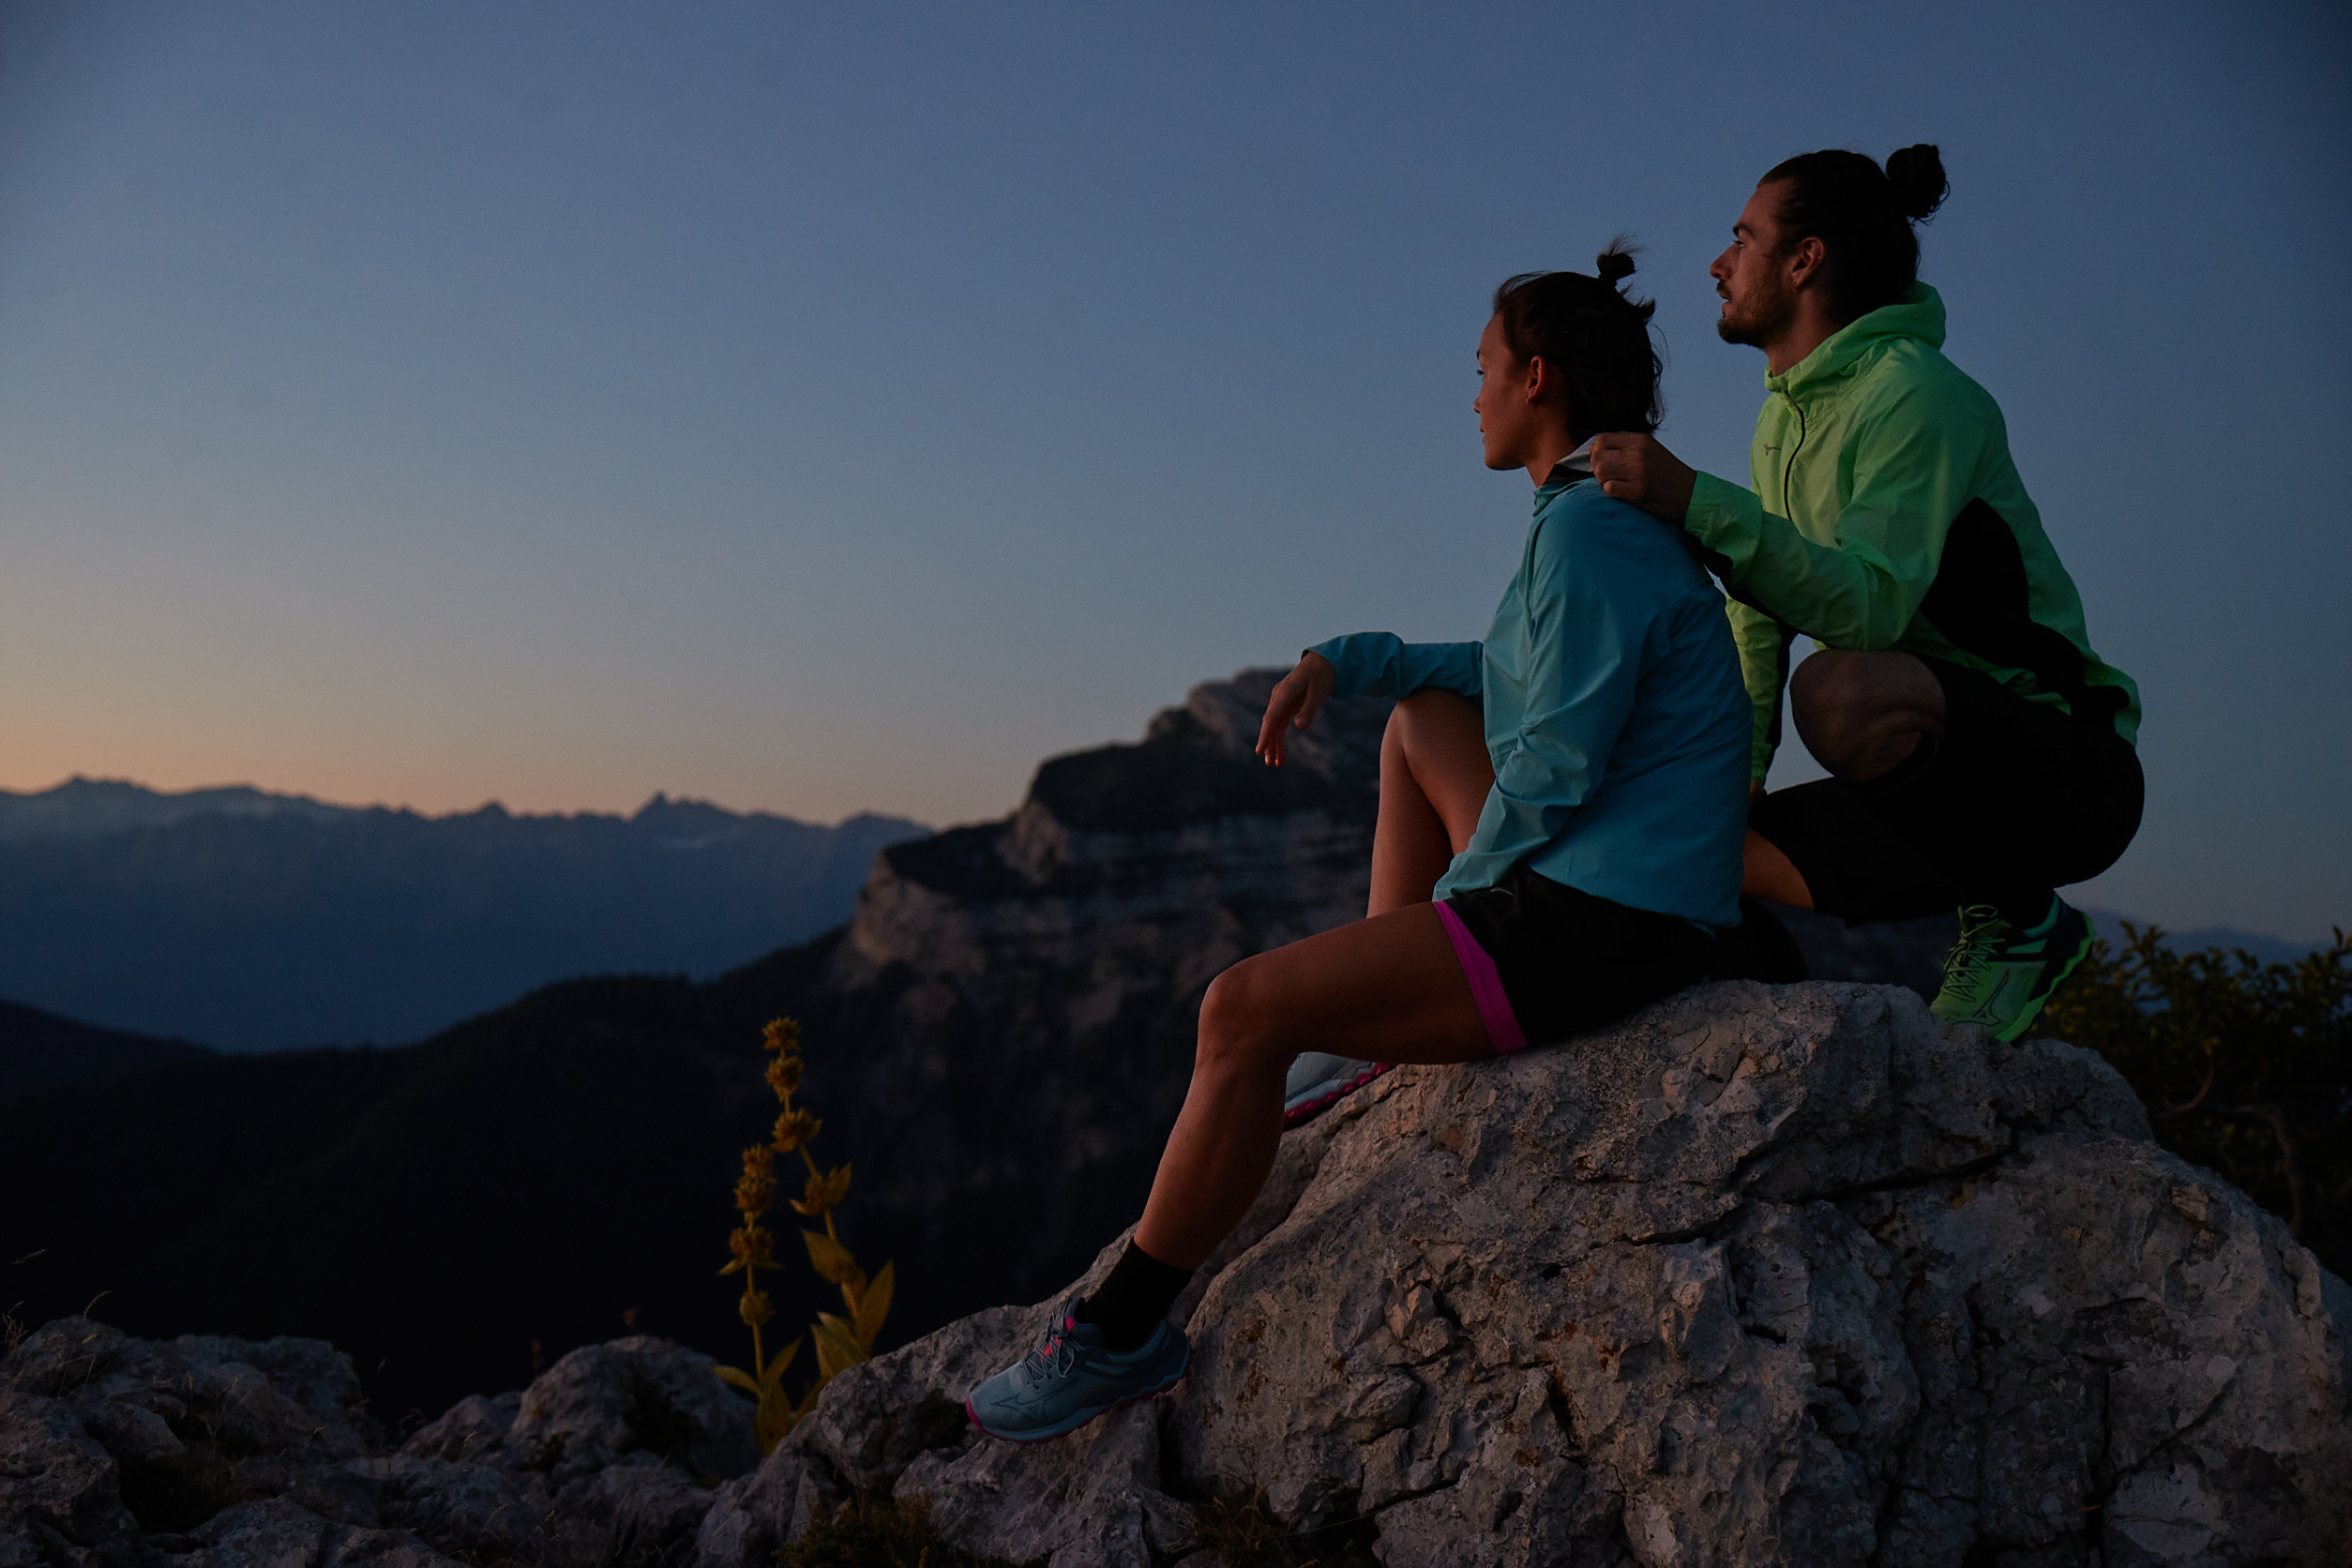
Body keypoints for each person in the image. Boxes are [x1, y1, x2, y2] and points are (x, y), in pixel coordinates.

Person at [963, 249, 1753, 1442]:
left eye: (1482, 370)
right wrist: (1347, 659)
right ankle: (1382, 1027)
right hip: (1625, 891)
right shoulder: (1598, 520)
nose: (1472, 396)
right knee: (1417, 718)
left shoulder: (1590, 533)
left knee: (1241, 1011)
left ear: (1537, 378)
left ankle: (1118, 1332)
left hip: (1609, 922)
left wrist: (1460, 907)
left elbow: (1555, 764)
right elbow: (1501, 674)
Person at [1588, 146, 2142, 1043]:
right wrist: (1739, 772)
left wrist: (1695, 500)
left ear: (1804, 260)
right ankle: (1762, 1028)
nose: (1719, 264)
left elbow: (1869, 611)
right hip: (1935, 776)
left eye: (1743, 240)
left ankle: (2018, 915)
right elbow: (1758, 613)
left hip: (2064, 768)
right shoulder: (1782, 419)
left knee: (1839, 688)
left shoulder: (1918, 394)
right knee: (1692, 840)